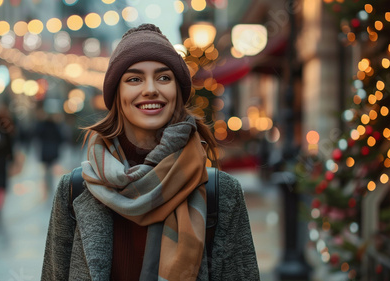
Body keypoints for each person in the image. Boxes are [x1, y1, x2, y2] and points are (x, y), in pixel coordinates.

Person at [41, 24, 259, 281]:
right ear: (117, 93)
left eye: (163, 77)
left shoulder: (220, 193)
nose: (150, 89)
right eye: (134, 79)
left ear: (177, 92)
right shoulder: (75, 190)